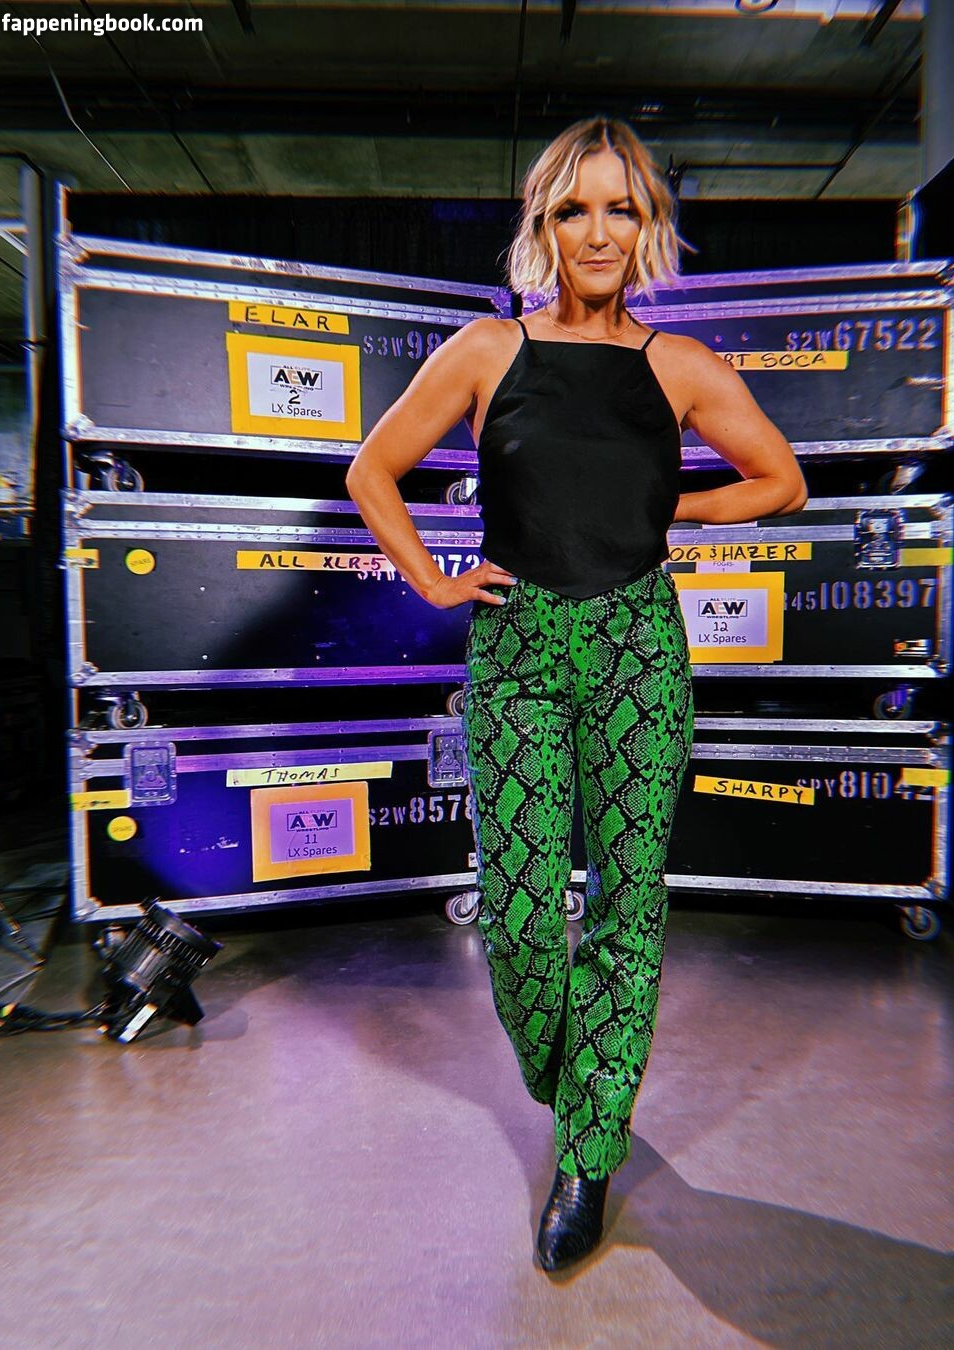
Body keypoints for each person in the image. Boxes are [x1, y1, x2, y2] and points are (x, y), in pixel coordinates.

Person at [346, 116, 806, 1273]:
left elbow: (782, 481)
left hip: (640, 649)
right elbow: (371, 469)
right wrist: (433, 579)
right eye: (572, 210)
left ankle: (589, 1153)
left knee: (627, 904)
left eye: (619, 208)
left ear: (647, 225)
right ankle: (579, 1083)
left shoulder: (680, 367)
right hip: (517, 650)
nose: (597, 232)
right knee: (518, 916)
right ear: (542, 227)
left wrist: (670, 509)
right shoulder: (487, 350)